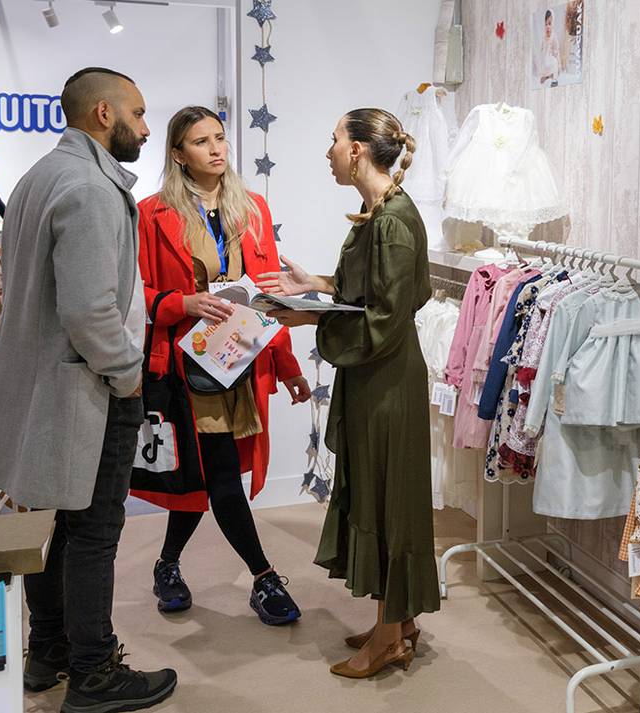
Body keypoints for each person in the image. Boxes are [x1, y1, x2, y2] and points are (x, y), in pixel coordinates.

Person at [0, 68, 178, 713]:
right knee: (93, 531)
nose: (147, 128)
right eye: (139, 115)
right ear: (104, 113)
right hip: (85, 387)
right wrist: (127, 373)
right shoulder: (90, 186)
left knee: (58, 523)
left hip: (41, 384)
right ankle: (93, 672)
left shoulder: (39, 176)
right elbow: (90, 311)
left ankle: (49, 653)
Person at [257, 107, 440, 679]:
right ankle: (400, 622)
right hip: (383, 374)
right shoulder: (383, 214)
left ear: (359, 149)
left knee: (387, 497)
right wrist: (319, 286)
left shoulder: (389, 220)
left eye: (334, 139)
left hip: (385, 377)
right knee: (388, 491)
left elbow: (385, 317)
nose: (329, 150)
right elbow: (388, 291)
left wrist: (309, 320)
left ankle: (388, 639)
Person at [133, 105, 311, 624]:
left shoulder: (251, 209)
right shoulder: (152, 213)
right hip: (188, 368)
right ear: (178, 155)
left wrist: (289, 366)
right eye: (200, 142)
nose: (216, 149)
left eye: (220, 138)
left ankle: (166, 565)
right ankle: (264, 577)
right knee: (221, 473)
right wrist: (180, 304)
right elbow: (135, 293)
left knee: (203, 475)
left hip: (243, 361)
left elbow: (268, 299)